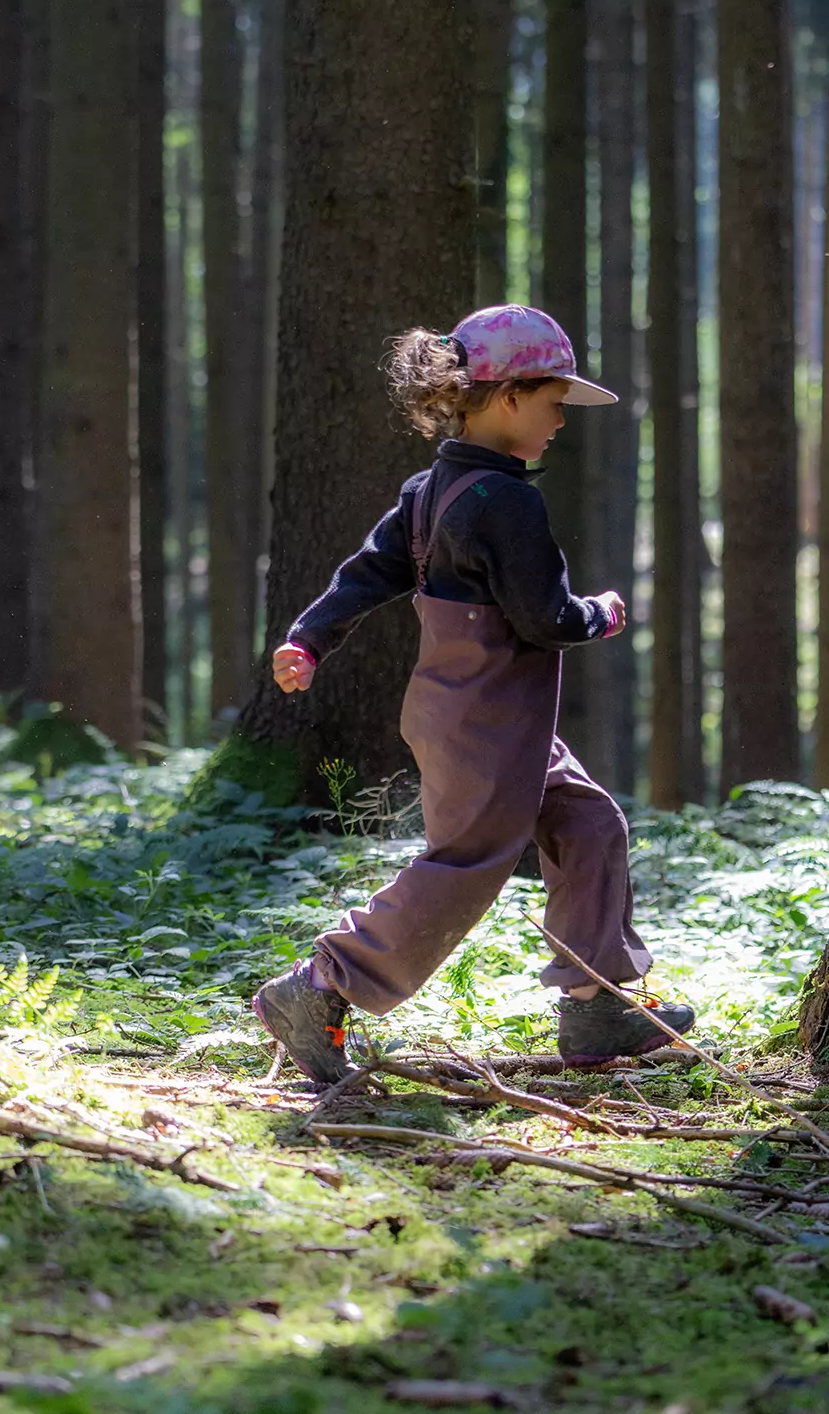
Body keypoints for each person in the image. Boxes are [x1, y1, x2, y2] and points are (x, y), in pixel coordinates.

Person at [252, 304, 694, 1082]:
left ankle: (595, 1004)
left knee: (589, 824)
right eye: (554, 401)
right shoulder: (506, 503)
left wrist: (309, 637)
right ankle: (318, 987)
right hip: (487, 723)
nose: (561, 420)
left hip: (481, 714)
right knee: (466, 866)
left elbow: (367, 572)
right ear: (509, 397)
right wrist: (600, 613)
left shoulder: (433, 490)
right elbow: (545, 620)